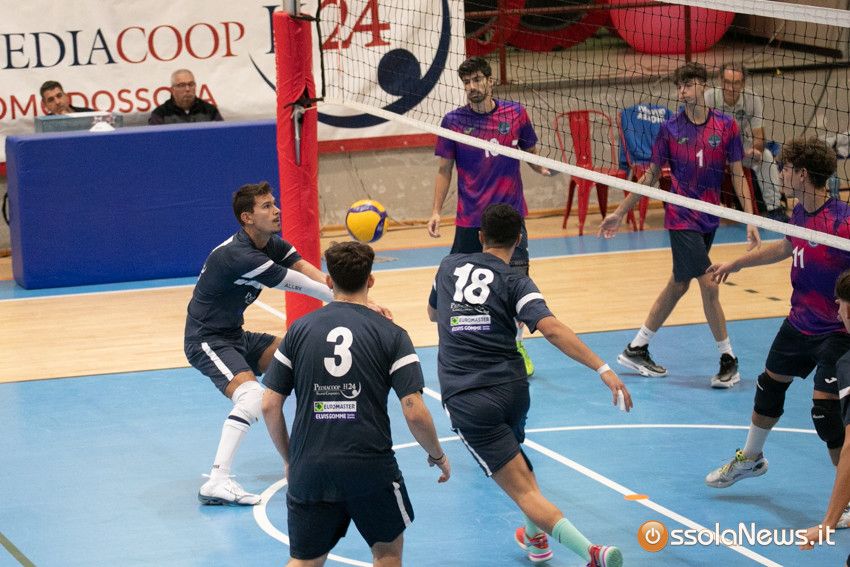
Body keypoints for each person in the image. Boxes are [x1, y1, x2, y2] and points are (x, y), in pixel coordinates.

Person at [428, 203, 631, 567]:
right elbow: (551, 328)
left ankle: (592, 553)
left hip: (469, 398)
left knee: (523, 490)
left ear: (480, 236)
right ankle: (535, 540)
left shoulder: (447, 267)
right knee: (519, 467)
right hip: (513, 390)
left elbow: (432, 313)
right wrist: (602, 368)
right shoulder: (516, 281)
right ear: (519, 239)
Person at [185, 181, 387, 506]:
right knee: (252, 397)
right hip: (207, 339)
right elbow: (302, 285)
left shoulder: (270, 243)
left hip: (235, 335)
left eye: (274, 203)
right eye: (266, 206)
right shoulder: (240, 255)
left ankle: (311, 450)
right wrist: (360, 302)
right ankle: (218, 480)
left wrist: (348, 291)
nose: (276, 210)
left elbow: (306, 268)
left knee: (302, 360)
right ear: (247, 217)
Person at [262, 240, 451, 567]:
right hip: (370, 469)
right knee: (387, 554)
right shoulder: (393, 334)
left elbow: (268, 404)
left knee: (304, 561)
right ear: (371, 280)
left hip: (311, 468)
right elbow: (414, 410)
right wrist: (437, 455)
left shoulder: (298, 331)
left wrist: (290, 459)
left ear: (329, 281)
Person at [703, 137, 850, 529]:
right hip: (799, 321)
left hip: (838, 330)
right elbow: (787, 246)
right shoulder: (799, 211)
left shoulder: (843, 221)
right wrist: (737, 263)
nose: (779, 174)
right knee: (769, 384)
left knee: (825, 412)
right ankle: (751, 459)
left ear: (801, 174)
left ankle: (847, 500)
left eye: (784, 168)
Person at [599, 62, 761, 388]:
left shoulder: (726, 126)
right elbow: (650, 176)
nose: (682, 91)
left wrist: (750, 218)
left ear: (703, 86)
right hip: (681, 216)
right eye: (679, 86)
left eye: (688, 85)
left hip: (709, 216)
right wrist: (620, 212)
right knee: (709, 283)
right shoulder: (670, 129)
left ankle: (637, 348)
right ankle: (728, 359)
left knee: (678, 284)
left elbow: (736, 173)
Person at [427, 56, 556, 377]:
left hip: (510, 217)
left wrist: (541, 168)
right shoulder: (453, 121)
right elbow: (444, 170)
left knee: (515, 284)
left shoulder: (516, 113)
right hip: (471, 219)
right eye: (466, 82)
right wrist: (435, 211)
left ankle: (515, 344)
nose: (471, 87)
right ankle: (460, 343)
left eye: (476, 80)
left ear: (490, 80)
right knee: (455, 283)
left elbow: (529, 152)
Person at [799, 269, 850, 550]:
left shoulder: (848, 364)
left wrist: (828, 522)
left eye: (839, 303)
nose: (837, 310)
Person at [704, 63, 787, 222]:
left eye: (735, 83)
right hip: (714, 148)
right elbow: (702, 134)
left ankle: (774, 208)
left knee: (766, 157)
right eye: (727, 82)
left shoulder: (752, 99)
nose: (730, 88)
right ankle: (708, 207)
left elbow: (759, 136)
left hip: (741, 146)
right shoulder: (709, 98)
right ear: (720, 80)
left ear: (743, 83)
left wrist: (755, 150)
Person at [149, 69, 223, 125]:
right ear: (172, 90)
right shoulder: (160, 114)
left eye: (191, 84)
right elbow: (155, 140)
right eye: (182, 85)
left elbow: (222, 136)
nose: (187, 89)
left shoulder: (210, 111)